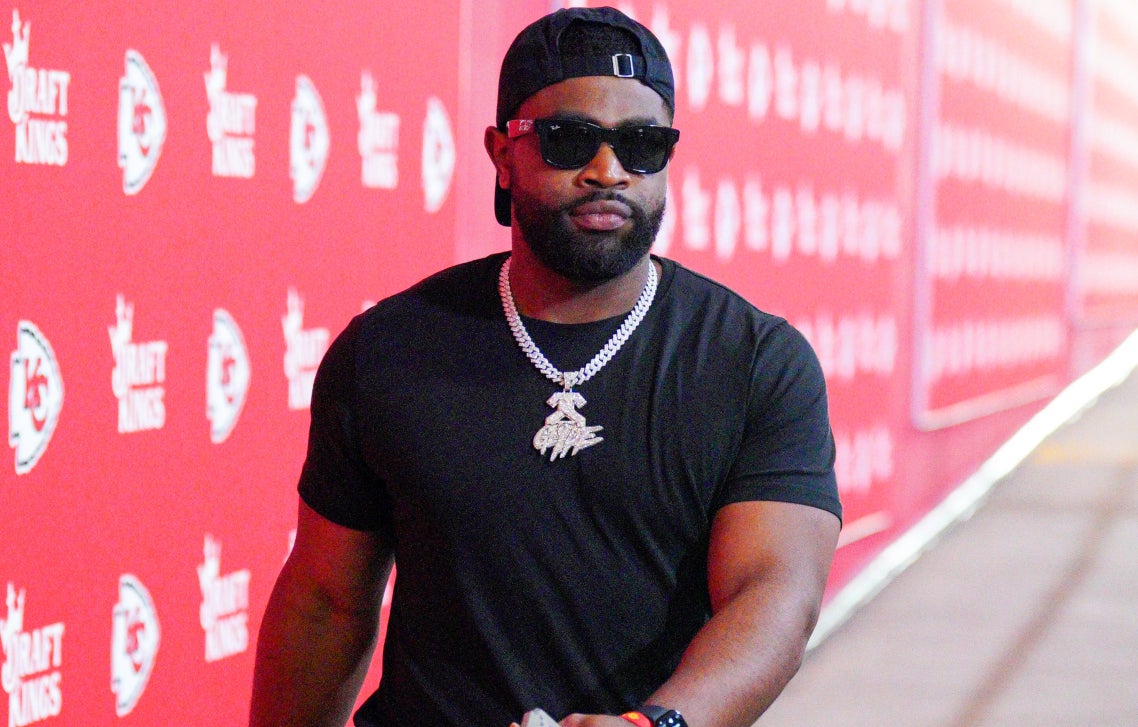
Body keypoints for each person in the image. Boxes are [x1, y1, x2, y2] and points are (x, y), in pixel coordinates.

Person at [250, 7, 841, 727]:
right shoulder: (387, 349)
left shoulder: (753, 362)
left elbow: (775, 592)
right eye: (569, 141)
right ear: (502, 153)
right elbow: (325, 599)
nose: (607, 171)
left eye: (642, 144)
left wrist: (654, 725)